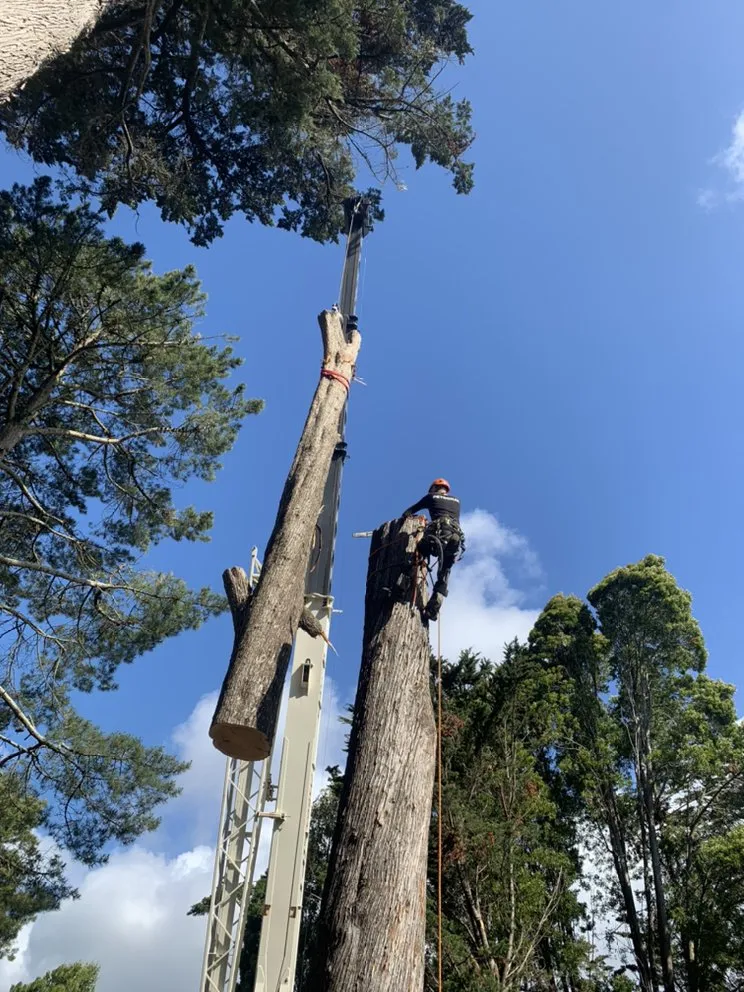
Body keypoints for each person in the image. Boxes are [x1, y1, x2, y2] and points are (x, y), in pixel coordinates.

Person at [402, 478, 464, 621]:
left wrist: (409, 518)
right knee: (444, 576)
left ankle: (400, 589)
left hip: (437, 536)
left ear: (434, 489)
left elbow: (408, 512)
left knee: (417, 555)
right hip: (454, 541)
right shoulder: (457, 501)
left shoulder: (430, 497)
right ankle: (432, 610)